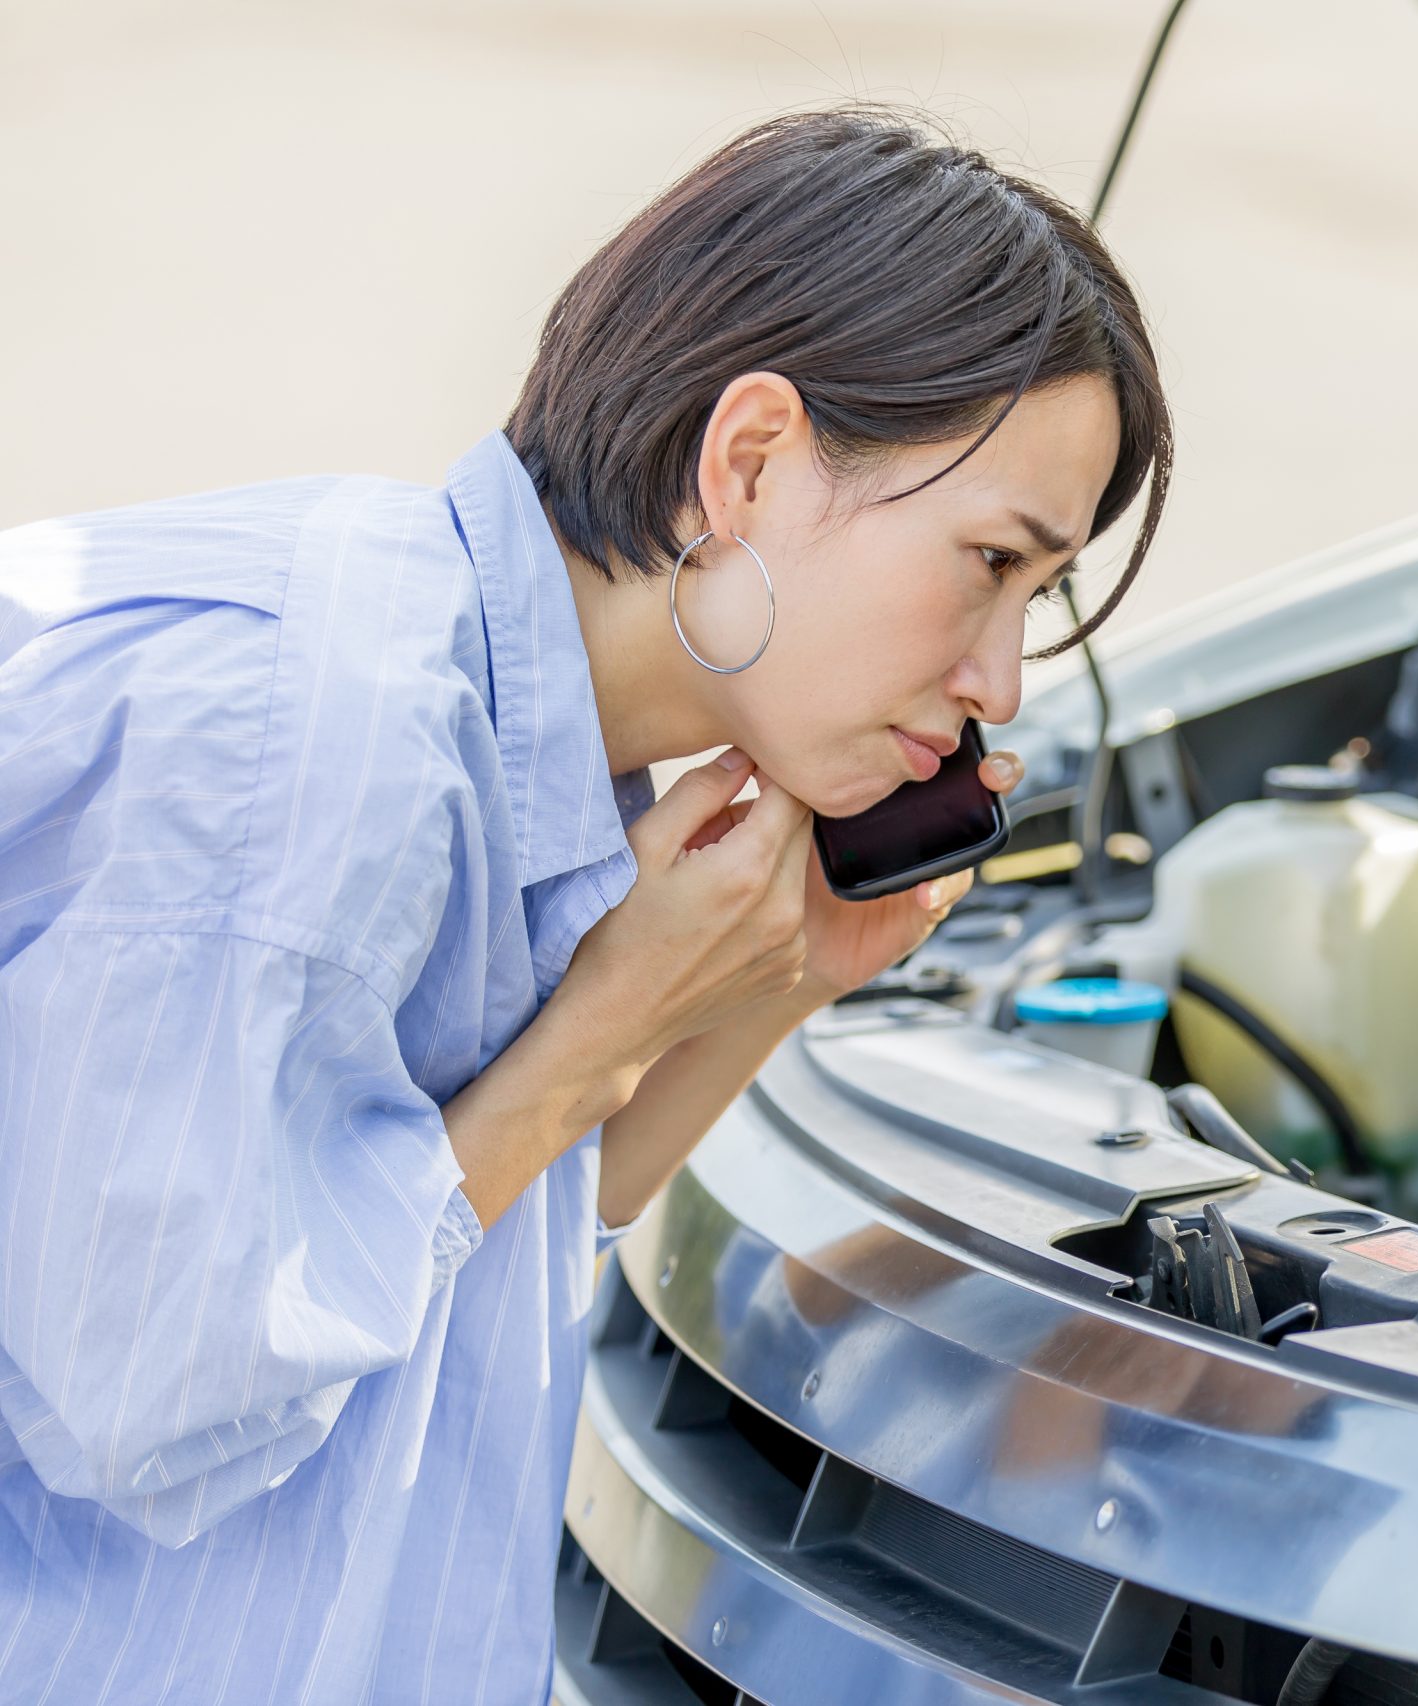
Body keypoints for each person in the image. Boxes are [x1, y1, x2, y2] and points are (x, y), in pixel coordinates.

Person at [0, 106, 1171, 1703]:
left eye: (1041, 595)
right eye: (988, 562)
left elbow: (467, 1250)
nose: (1000, 679)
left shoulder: (554, 749)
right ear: (750, 462)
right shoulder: (315, 740)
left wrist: (774, 981)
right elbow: (153, 1385)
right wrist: (599, 1031)